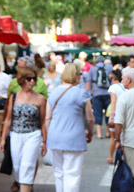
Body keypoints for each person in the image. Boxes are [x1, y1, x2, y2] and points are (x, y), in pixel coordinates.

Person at [44, 62, 94, 192]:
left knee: (58, 173)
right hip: (74, 137)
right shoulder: (82, 94)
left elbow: (47, 118)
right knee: (72, 174)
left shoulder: (53, 92)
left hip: (55, 137)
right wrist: (90, 133)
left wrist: (46, 138)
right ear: (76, 75)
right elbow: (90, 117)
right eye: (80, 74)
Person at [0, 67, 47, 192]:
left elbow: (43, 121)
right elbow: (8, 119)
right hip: (16, 134)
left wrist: (45, 141)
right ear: (22, 80)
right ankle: (26, 187)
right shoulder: (14, 97)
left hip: (33, 135)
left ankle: (25, 189)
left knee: (28, 165)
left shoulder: (40, 99)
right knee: (18, 167)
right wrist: (3, 139)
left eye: (34, 79)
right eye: (29, 79)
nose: (32, 81)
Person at [85, 57, 112, 140]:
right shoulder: (109, 67)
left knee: (98, 113)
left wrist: (87, 94)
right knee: (108, 113)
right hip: (108, 93)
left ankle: (99, 134)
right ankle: (108, 132)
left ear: (95, 62)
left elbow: (88, 84)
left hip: (97, 94)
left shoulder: (92, 69)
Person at [106, 69, 126, 164]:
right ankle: (123, 157)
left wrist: (112, 116)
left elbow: (113, 101)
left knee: (113, 137)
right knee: (124, 136)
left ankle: (111, 157)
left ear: (113, 77)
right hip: (125, 114)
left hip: (117, 114)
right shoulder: (125, 86)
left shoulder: (113, 87)